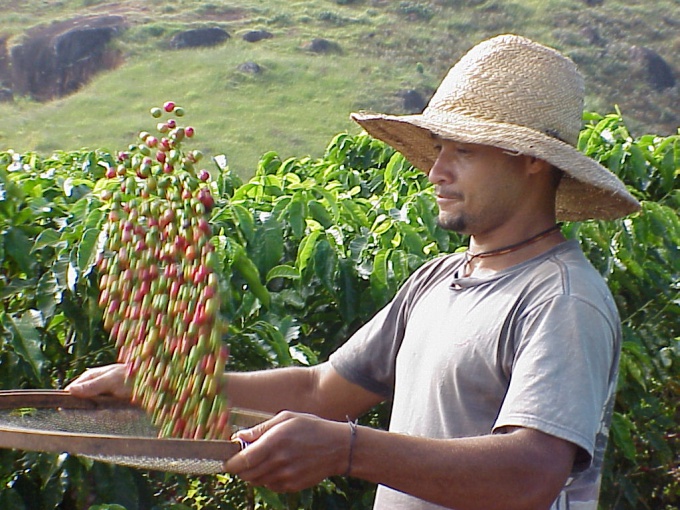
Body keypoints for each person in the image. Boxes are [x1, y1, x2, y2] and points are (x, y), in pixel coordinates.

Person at [66, 34, 641, 510]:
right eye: (437, 149)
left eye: (460, 151)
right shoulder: (437, 281)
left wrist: (348, 450)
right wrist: (170, 385)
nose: (435, 170)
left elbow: (531, 473)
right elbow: (322, 390)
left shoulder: (562, 300)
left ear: (531, 160)